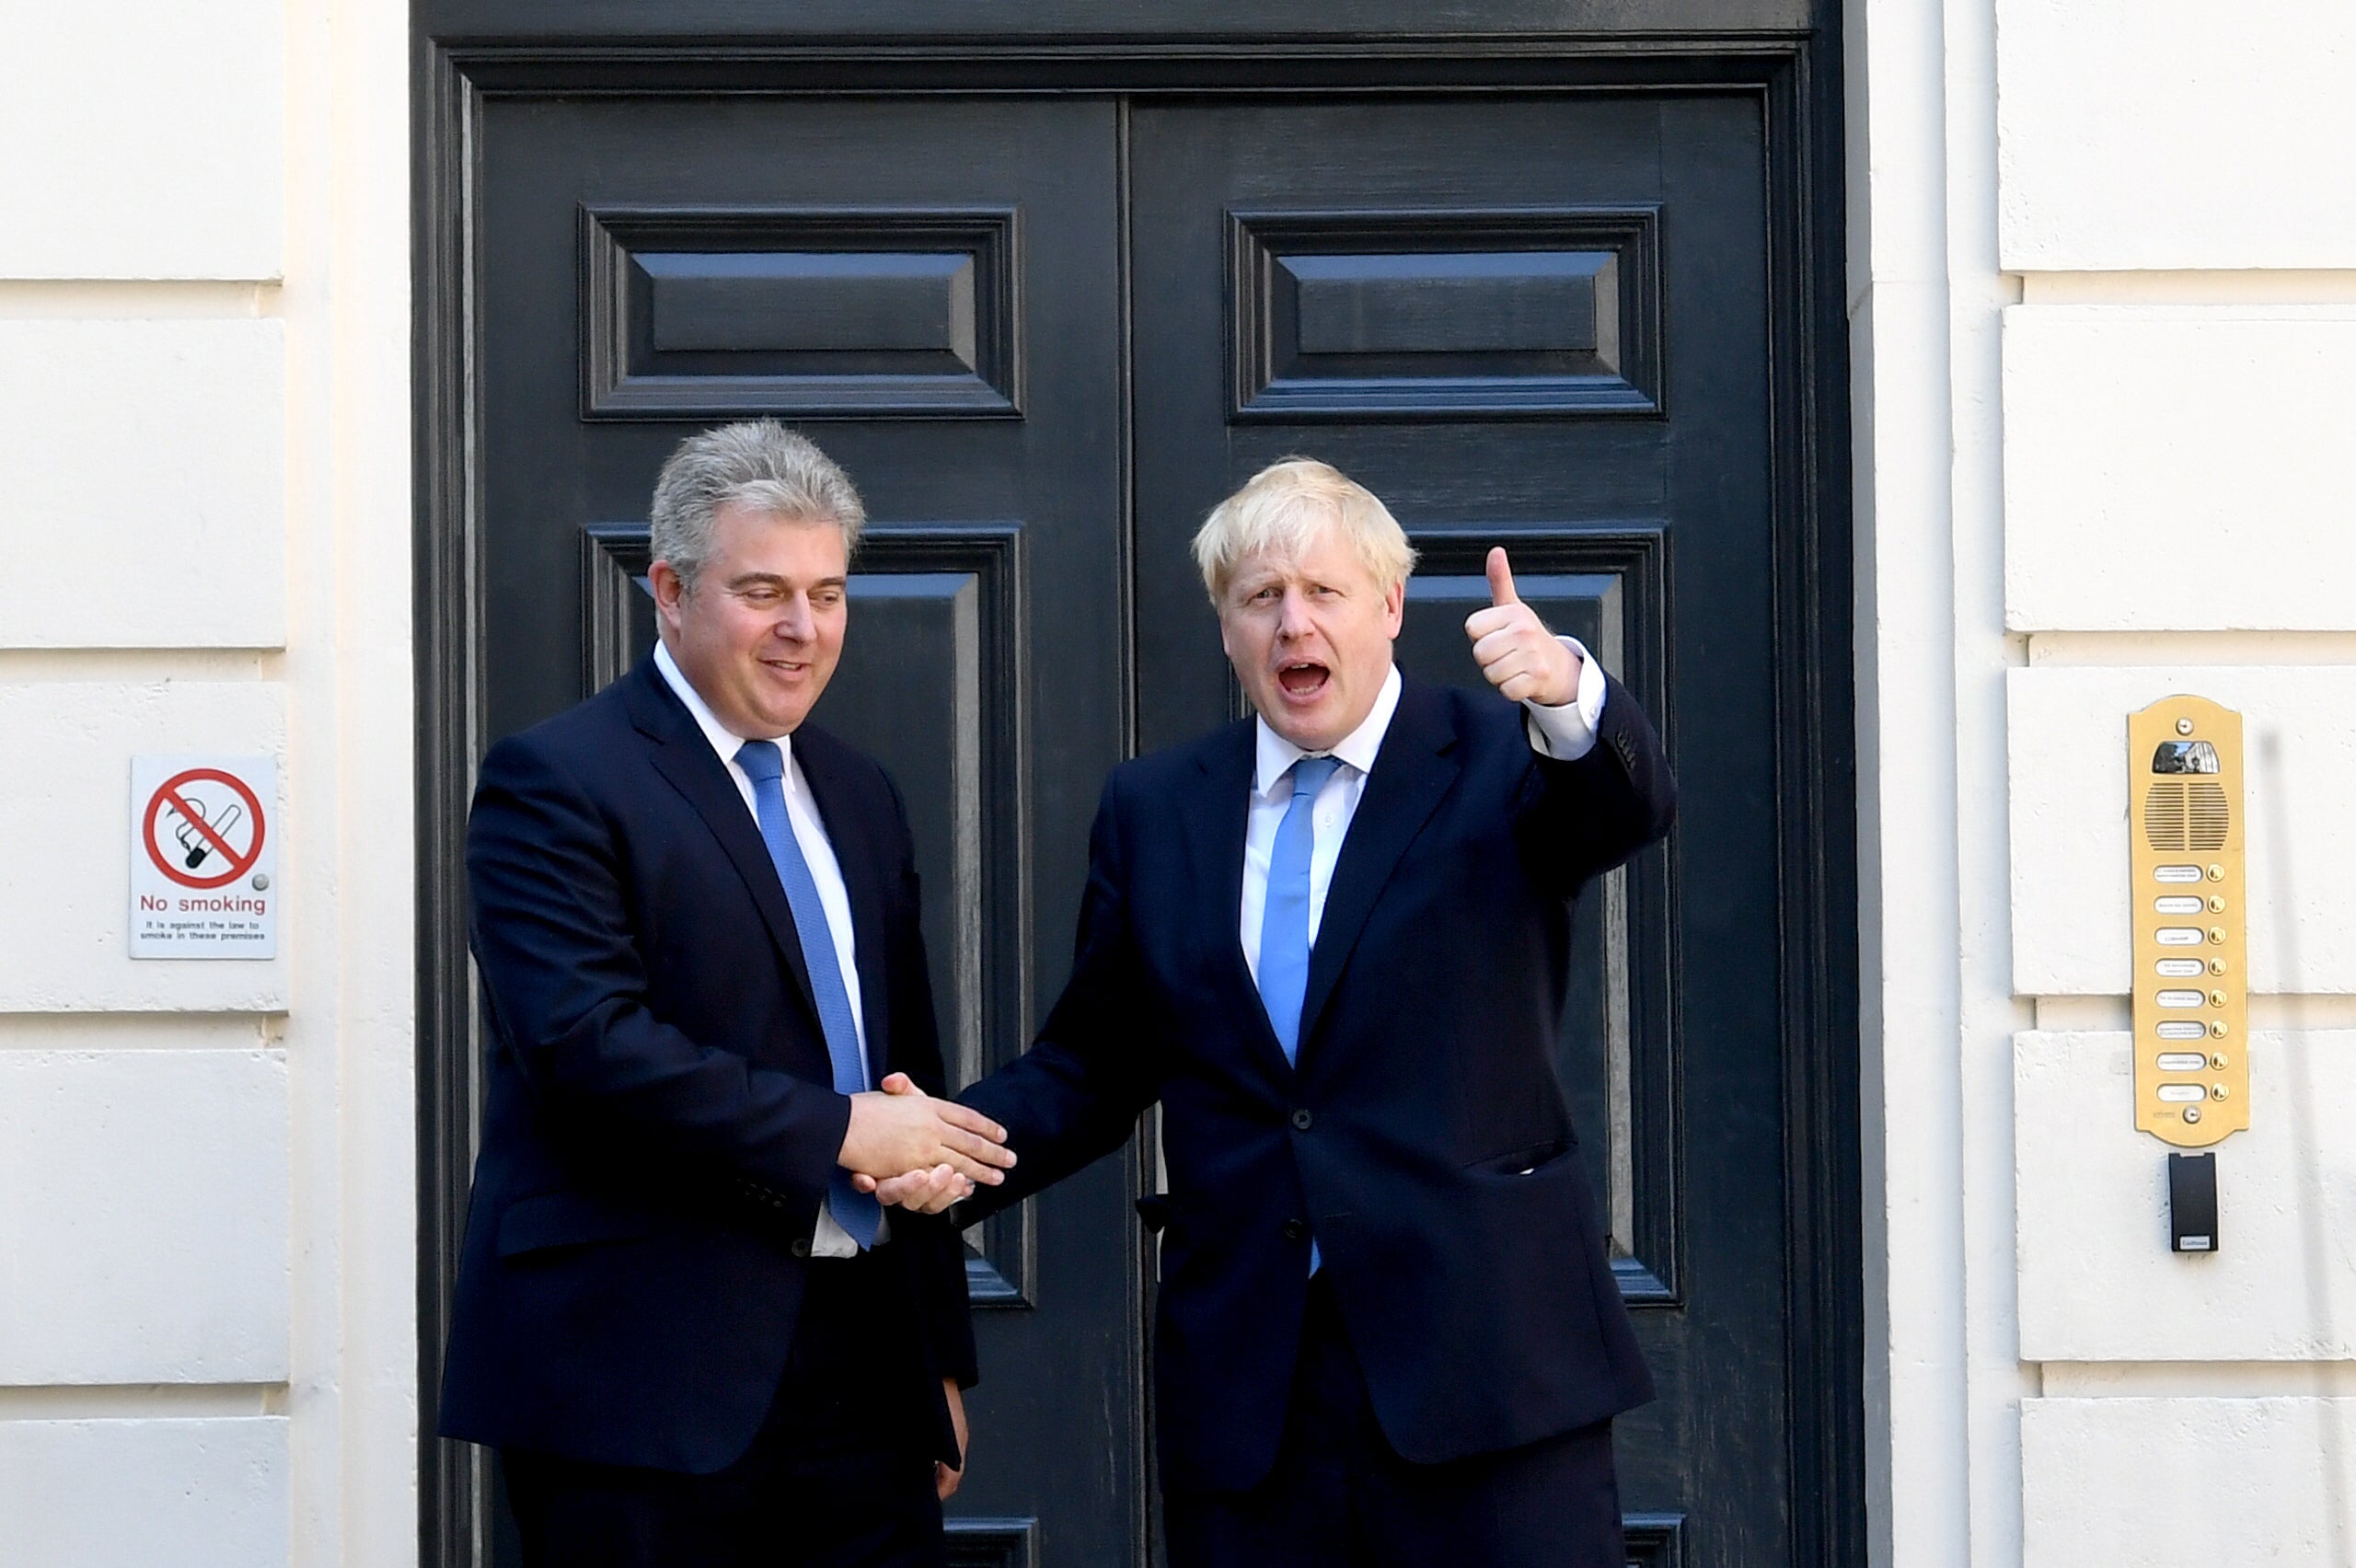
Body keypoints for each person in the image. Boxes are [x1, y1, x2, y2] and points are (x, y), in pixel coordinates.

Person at [872, 457, 1676, 1567]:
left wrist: (1568, 693)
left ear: (1389, 607)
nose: (1293, 624)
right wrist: (947, 1152)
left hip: (1486, 1372)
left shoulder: (1497, 757)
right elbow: (1092, 1065)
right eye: (1260, 598)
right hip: (1254, 1391)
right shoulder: (1155, 808)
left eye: (1323, 592)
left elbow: (1623, 810)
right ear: (1226, 627)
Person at [438, 421, 1016, 1568]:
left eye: (828, 593)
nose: (804, 630)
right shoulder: (555, 781)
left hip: (864, 1376)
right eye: (764, 592)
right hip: (638, 1384)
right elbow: (587, 1051)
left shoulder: (858, 791)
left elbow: (907, 1068)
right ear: (669, 589)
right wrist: (845, 1128)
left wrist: (938, 1358)